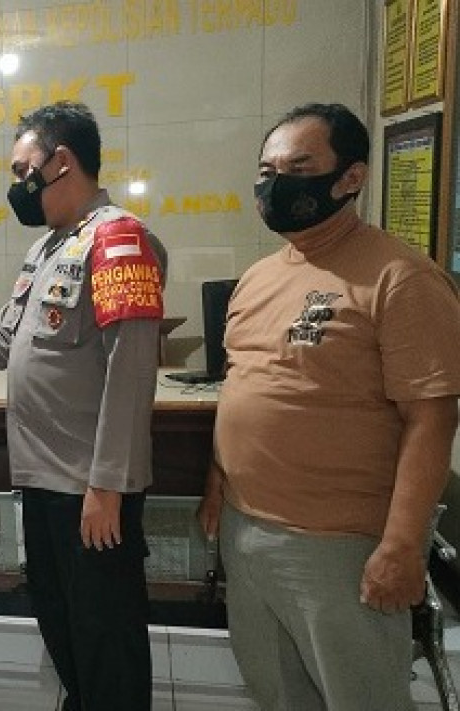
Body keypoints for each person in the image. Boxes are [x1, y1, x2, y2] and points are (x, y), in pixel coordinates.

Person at [196, 103, 460, 711]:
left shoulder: (400, 277)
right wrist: (217, 484)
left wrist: (402, 547)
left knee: (359, 696)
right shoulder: (259, 277)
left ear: (351, 177)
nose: (275, 184)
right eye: (267, 171)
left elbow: (432, 419)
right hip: (246, 529)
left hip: (340, 545)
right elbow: (243, 386)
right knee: (276, 690)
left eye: (298, 168)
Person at [0, 101, 165, 711]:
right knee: (61, 617)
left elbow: (131, 374)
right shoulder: (50, 247)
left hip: (88, 485)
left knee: (105, 632)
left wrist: (108, 486)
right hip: (45, 479)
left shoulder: (119, 240)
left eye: (23, 171)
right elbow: (7, 337)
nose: (18, 185)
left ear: (62, 162)